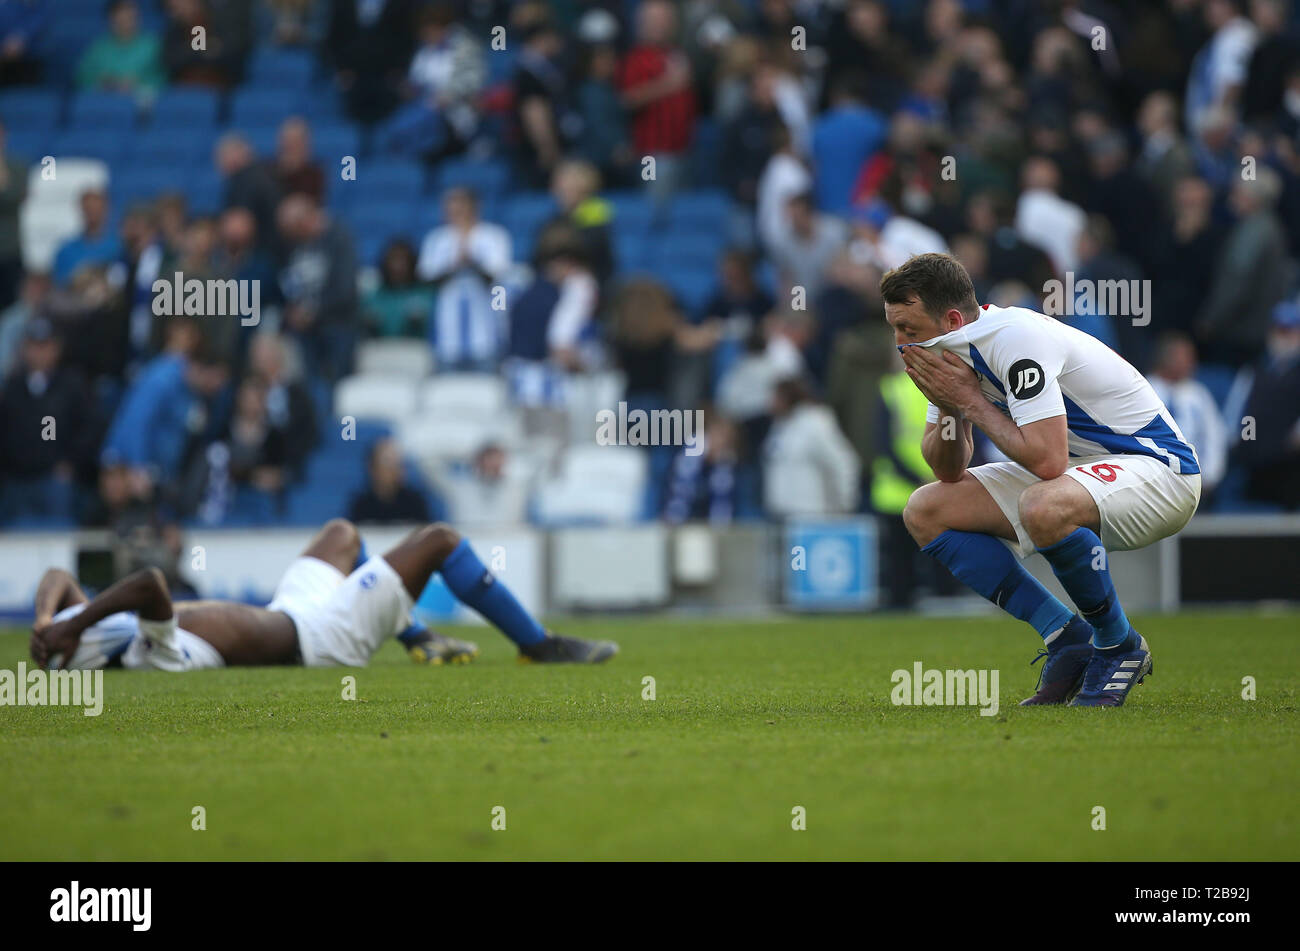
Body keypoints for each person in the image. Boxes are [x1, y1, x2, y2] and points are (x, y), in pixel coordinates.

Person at [883, 253, 1201, 707]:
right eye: (894, 329)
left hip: (1159, 469)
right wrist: (952, 405)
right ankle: (1065, 637)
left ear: (952, 319)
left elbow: (1048, 461)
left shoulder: (1014, 338)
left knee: (1043, 504)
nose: (900, 343)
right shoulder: (951, 354)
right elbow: (948, 470)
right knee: (926, 510)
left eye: (909, 330)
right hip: (1079, 470)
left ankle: (1117, 645)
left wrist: (972, 404)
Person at [31, 518, 619, 670]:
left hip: (289, 611)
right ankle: (537, 644)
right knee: (439, 542)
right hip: (321, 638)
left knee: (341, 534)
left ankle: (415, 634)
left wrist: (49, 618)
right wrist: (74, 625)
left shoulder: (91, 629)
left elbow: (58, 576)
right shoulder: (149, 654)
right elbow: (148, 585)